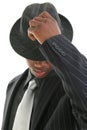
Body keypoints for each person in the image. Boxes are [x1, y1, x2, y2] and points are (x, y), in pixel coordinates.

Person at [1, 2, 87, 130]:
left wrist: (54, 41)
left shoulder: (70, 90)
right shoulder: (13, 85)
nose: (39, 63)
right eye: (33, 55)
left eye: (46, 56)